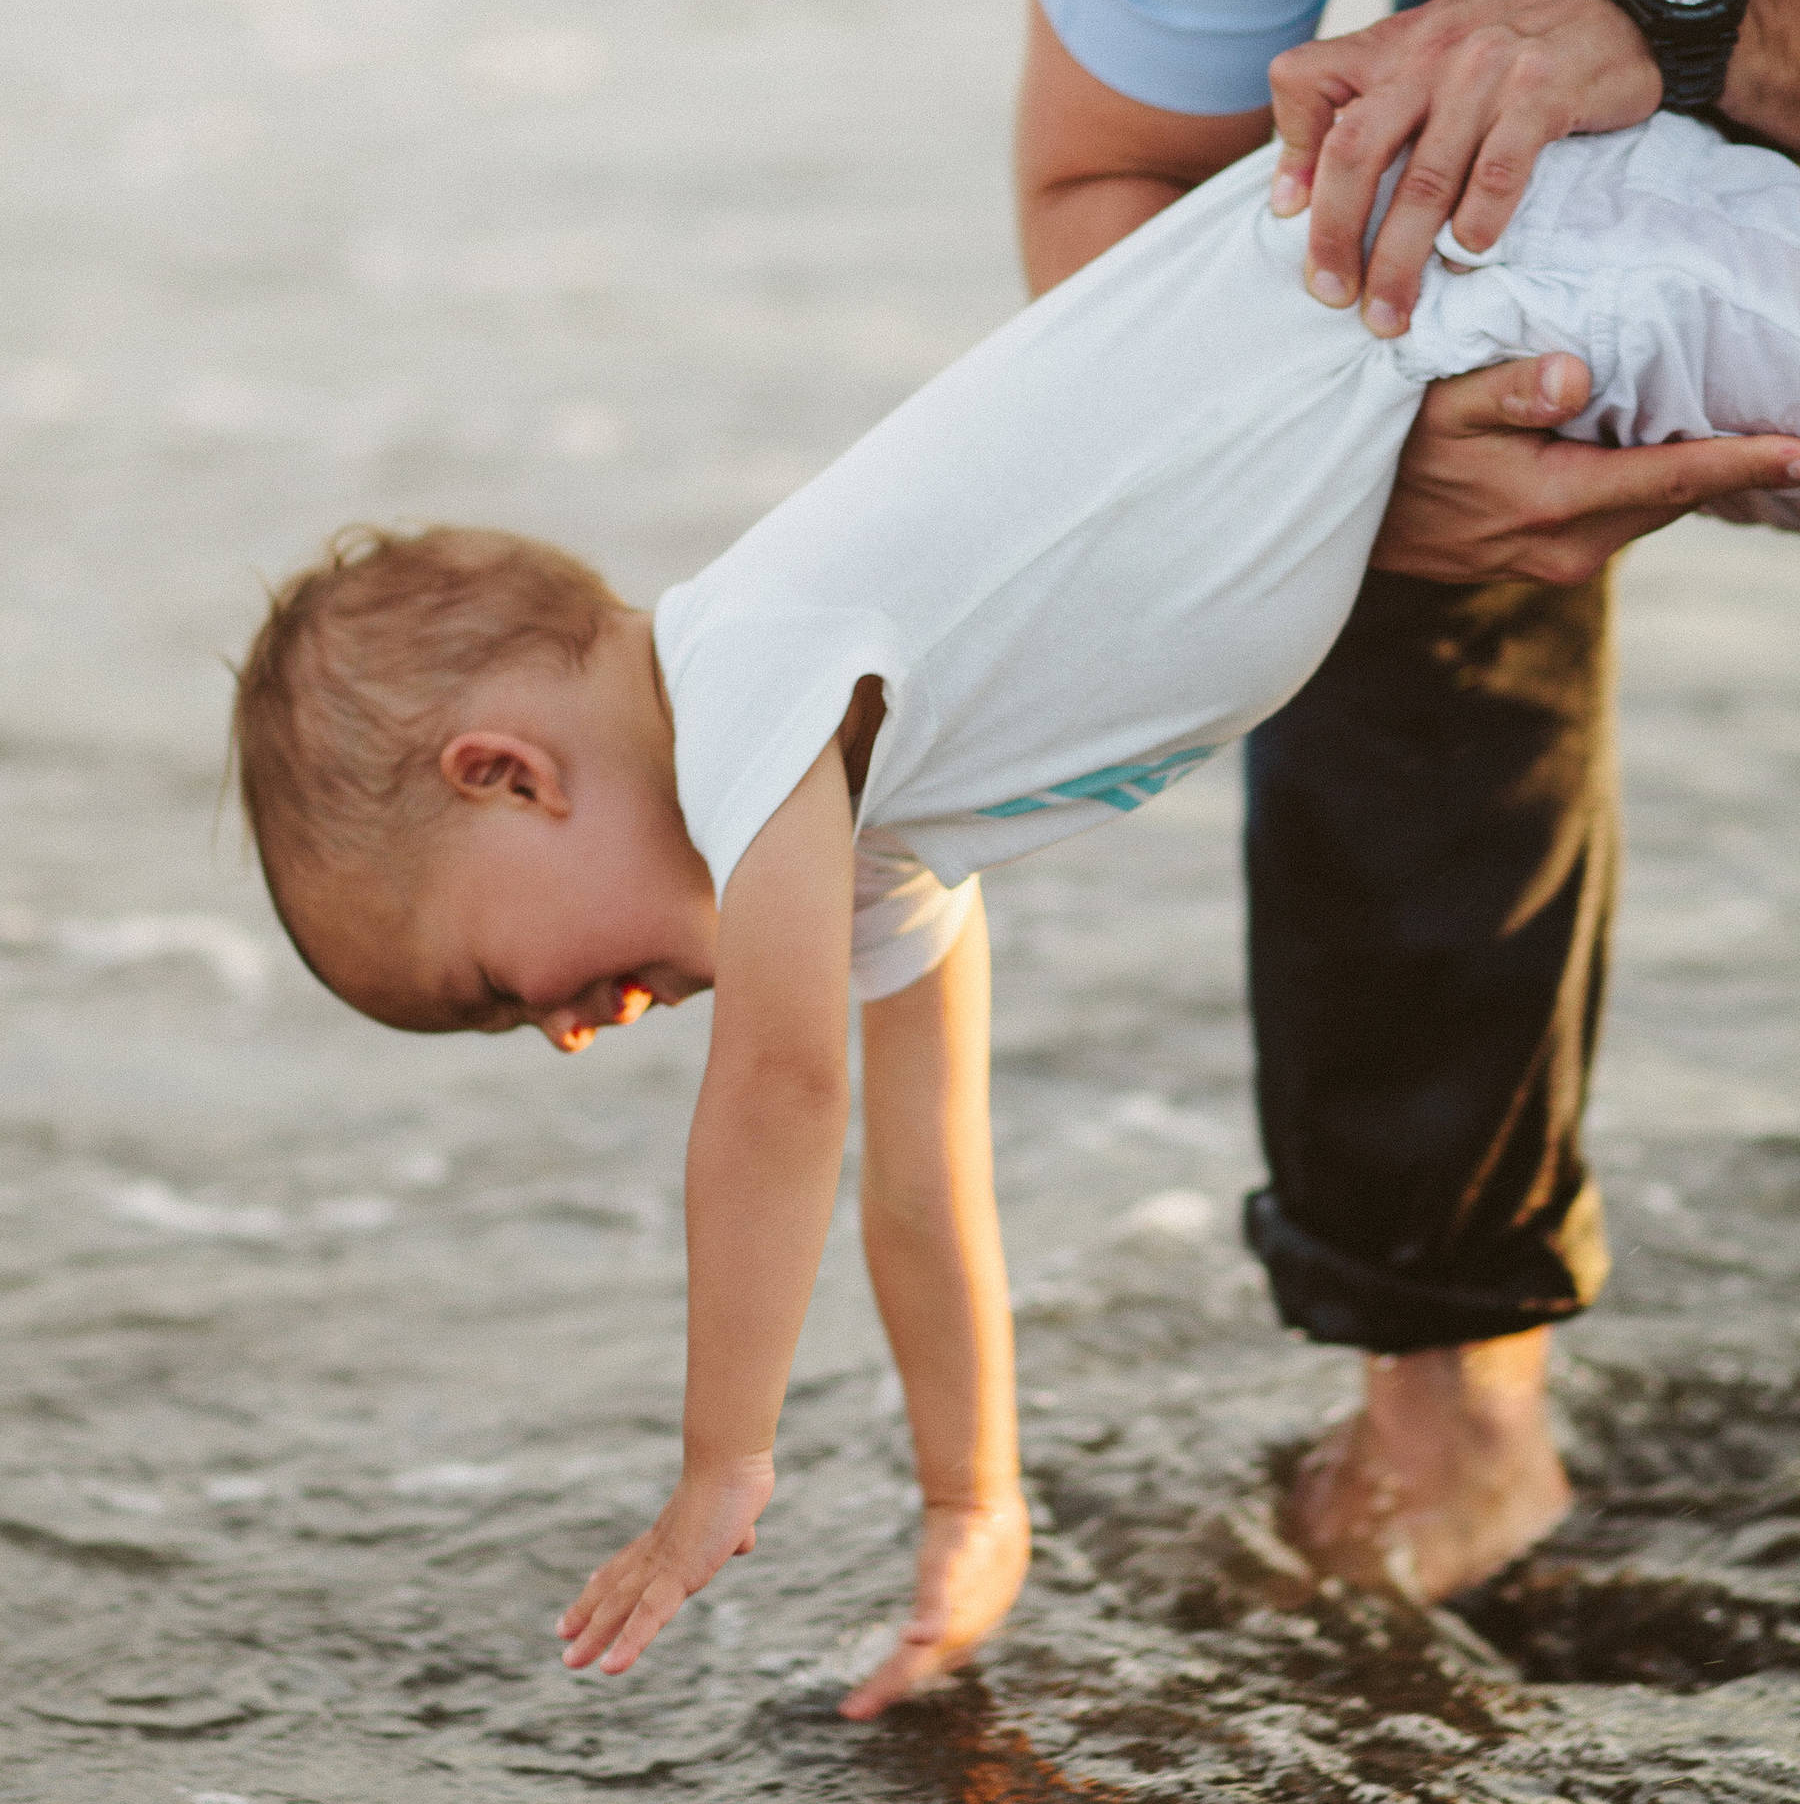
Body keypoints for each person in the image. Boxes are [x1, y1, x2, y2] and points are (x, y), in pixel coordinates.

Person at [233, 111, 1800, 1705]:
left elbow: (782, 1091)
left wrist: (720, 1471)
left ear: (509, 776)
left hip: (1519, 275)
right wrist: (974, 1502)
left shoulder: (751, 681)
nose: (563, 1035)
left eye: (500, 985)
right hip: (1521, 310)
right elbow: (921, 1179)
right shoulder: (857, 814)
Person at [1020, 0, 1800, 1595]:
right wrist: (1339, 478)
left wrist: (1678, 1)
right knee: (1332, 298)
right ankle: (1449, 1400)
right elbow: (1106, 205)